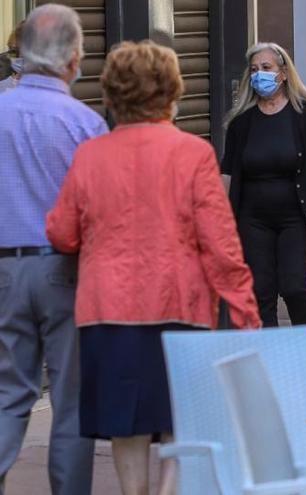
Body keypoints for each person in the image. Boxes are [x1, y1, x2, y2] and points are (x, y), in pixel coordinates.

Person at [45, 40, 261, 495]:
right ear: (172, 91)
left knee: (127, 429)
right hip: (179, 309)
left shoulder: (90, 156)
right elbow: (221, 245)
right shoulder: (193, 154)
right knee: (181, 425)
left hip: (108, 311)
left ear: (111, 94)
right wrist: (245, 314)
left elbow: (62, 233)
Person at [0, 6, 107, 494]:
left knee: (8, 392)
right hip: (66, 269)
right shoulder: (85, 125)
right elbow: (99, 214)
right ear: (71, 58)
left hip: (4, 269)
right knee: (70, 396)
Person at [221, 42, 306, 327]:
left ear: (283, 73)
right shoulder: (242, 122)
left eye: (266, 68)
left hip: (297, 216)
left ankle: (304, 345)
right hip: (252, 219)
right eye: (254, 70)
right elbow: (228, 172)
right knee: (261, 292)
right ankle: (272, 355)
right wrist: (221, 217)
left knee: (295, 286)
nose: (260, 74)